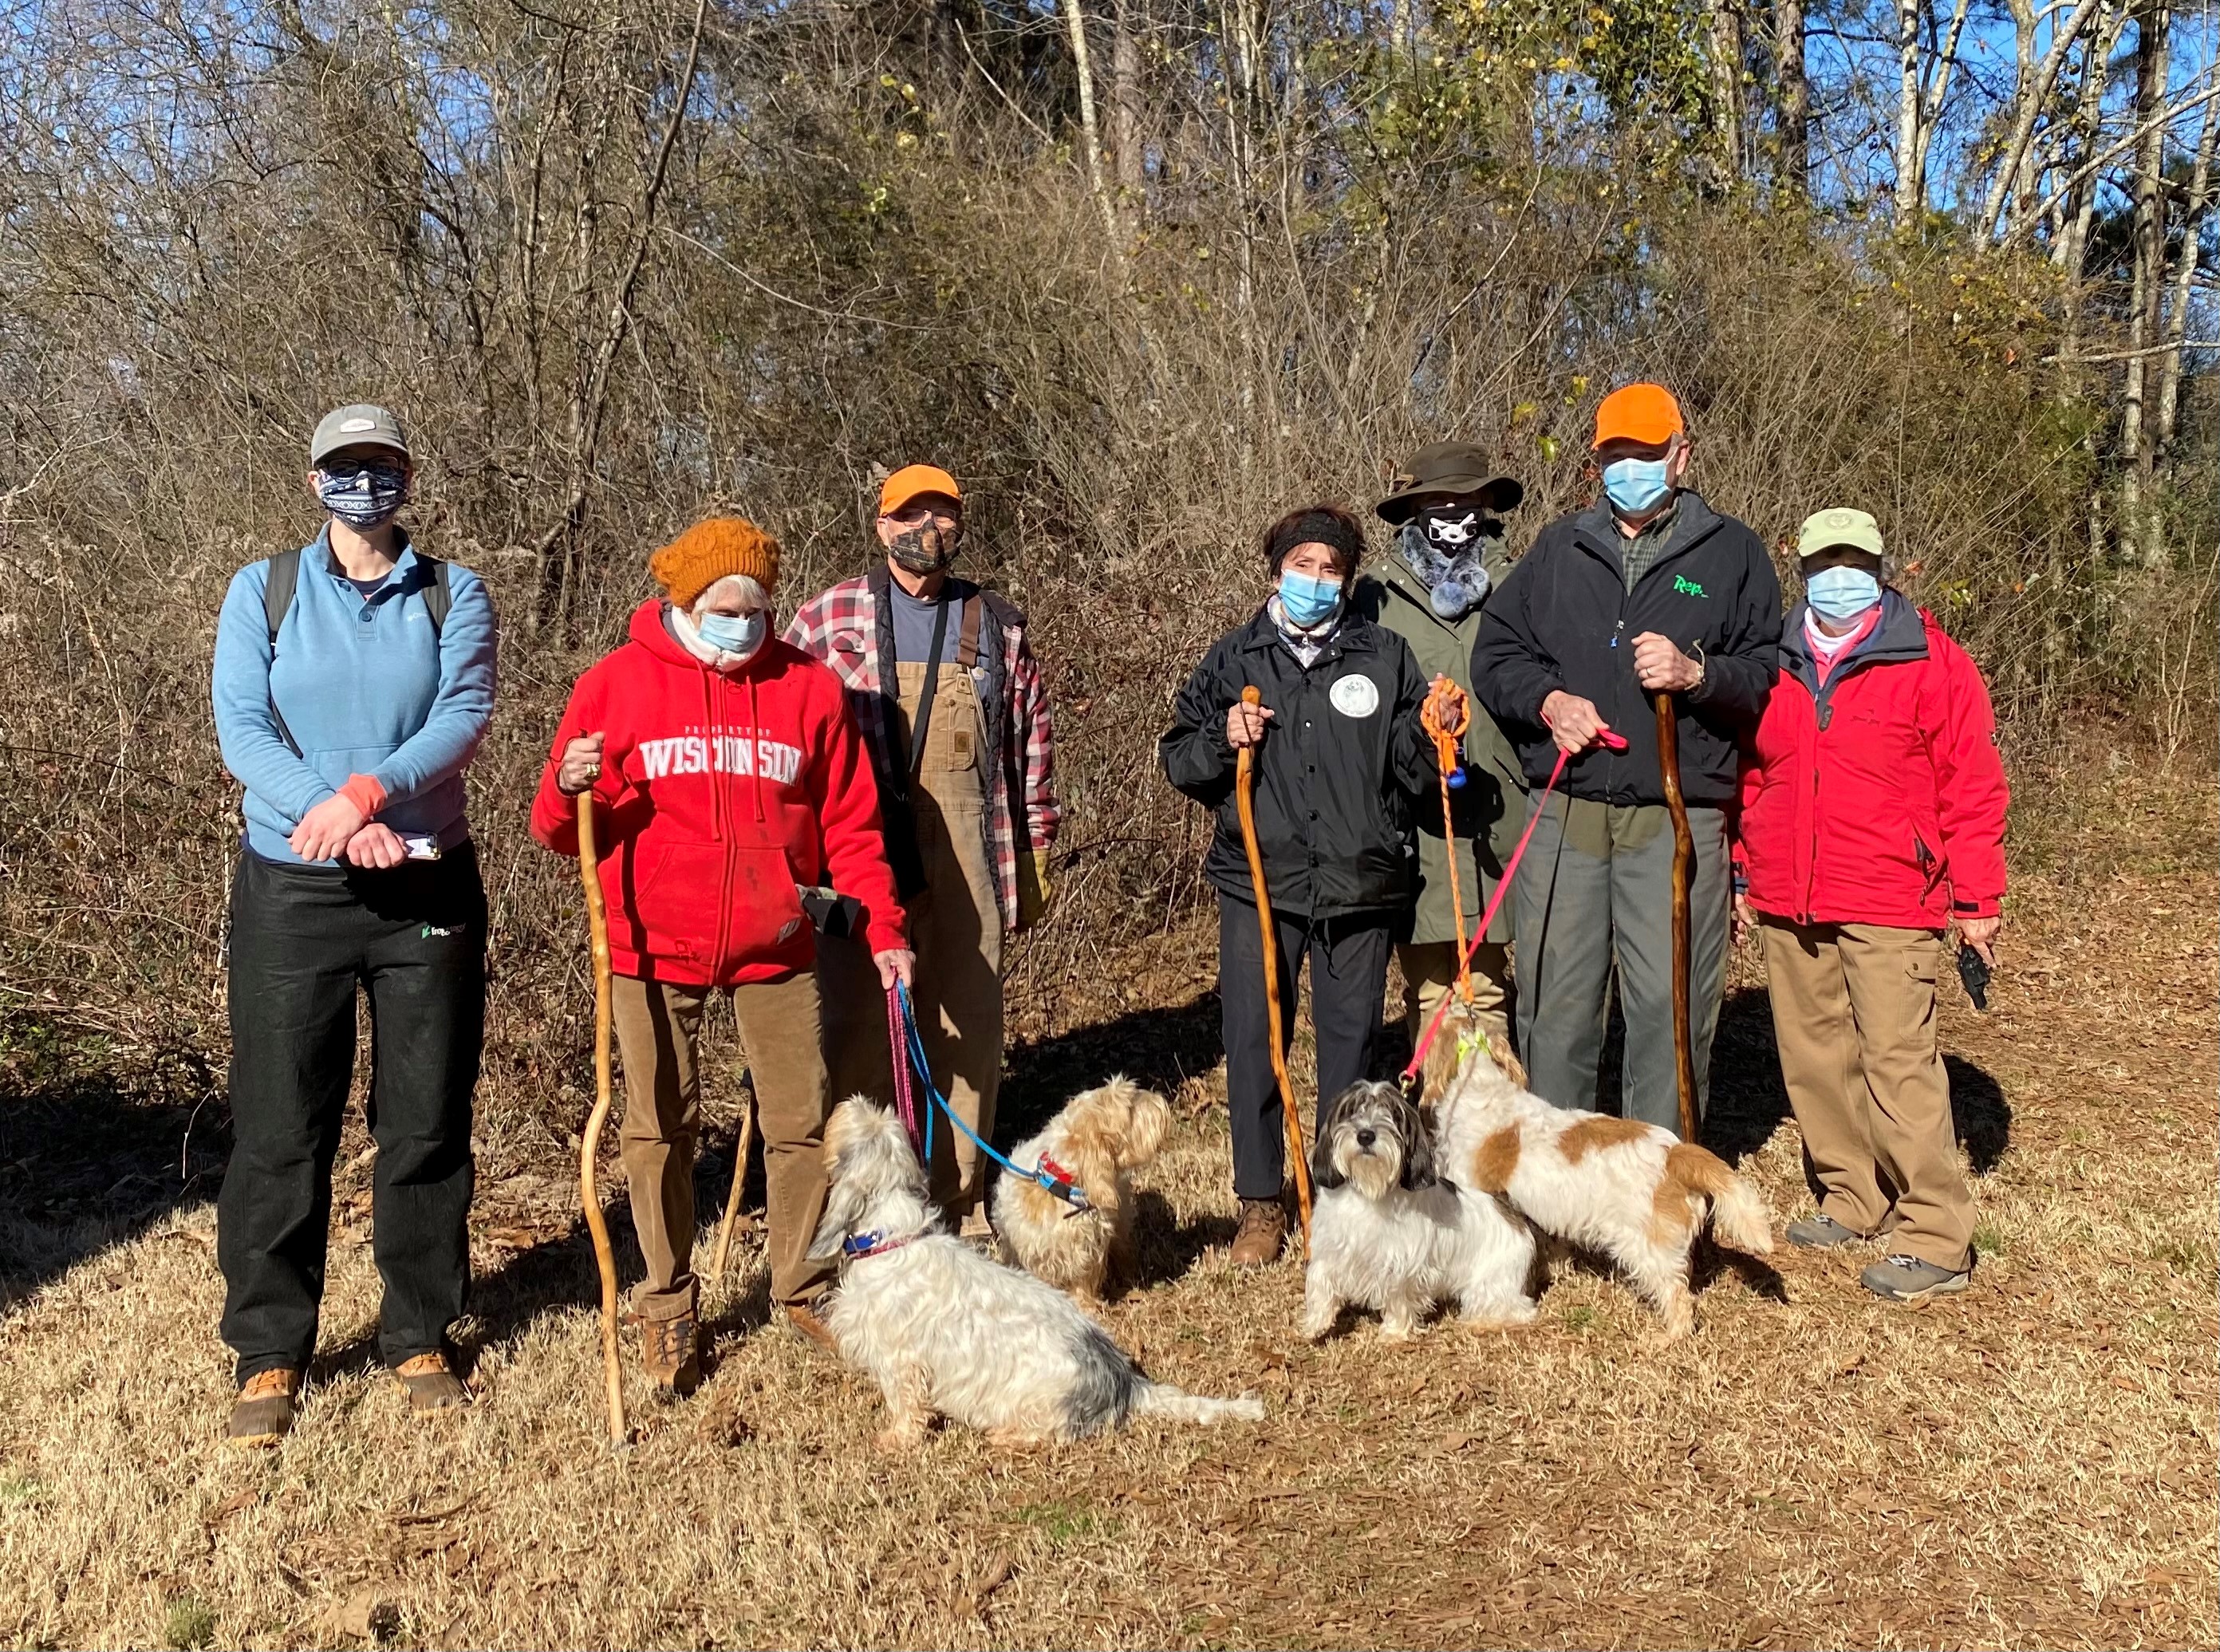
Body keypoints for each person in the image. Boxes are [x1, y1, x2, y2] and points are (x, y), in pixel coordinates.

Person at [530, 518, 912, 1391]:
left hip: (777, 943)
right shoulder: (612, 686)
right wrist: (565, 784)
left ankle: (803, 1283)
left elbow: (852, 828)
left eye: (758, 608)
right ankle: (666, 1300)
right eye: (725, 608)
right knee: (656, 1127)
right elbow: (556, 829)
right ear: (683, 602)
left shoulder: (808, 689)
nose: (744, 623)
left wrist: (885, 930)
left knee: (801, 1122)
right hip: (649, 945)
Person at [211, 403, 497, 1445]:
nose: (363, 482)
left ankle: (417, 1329)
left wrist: (371, 793)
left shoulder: (455, 592)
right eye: (343, 465)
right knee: (282, 1123)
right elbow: (243, 726)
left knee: (423, 1119)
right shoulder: (263, 590)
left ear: (408, 476)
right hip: (294, 888)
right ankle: (269, 1346)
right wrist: (328, 814)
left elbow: (461, 715)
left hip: (425, 884)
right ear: (314, 480)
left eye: (380, 465)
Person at [1472, 382, 1781, 1133]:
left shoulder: (1732, 552)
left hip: (1674, 818)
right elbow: (1498, 654)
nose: (1629, 467)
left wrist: (1696, 674)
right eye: (1615, 454)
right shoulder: (1558, 548)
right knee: (1555, 1008)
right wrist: (1548, 702)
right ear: (1596, 463)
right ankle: (1555, 1174)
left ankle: (1657, 1177)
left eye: (1645, 452)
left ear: (1681, 455)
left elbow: (1764, 674)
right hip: (1566, 810)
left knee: (1669, 1010)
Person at [1736, 508, 2006, 1303]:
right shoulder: (1770, 658)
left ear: (1881, 568)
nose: (1839, 576)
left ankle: (1935, 1236)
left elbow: (1971, 783)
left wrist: (1976, 895)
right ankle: (1853, 1196)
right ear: (1801, 569)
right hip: (1788, 890)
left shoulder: (1932, 659)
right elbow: (1749, 773)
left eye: (1854, 562)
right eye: (1824, 562)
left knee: (1896, 1060)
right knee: (1812, 1054)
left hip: (1892, 889)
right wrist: (1744, 871)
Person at [785, 465, 1058, 1236]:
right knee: (858, 1028)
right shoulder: (825, 617)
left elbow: (1030, 743)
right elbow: (782, 727)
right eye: (909, 514)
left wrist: (1035, 846)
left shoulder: (996, 624)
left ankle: (956, 1201)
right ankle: (869, 1205)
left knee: (968, 1023)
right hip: (855, 853)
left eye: (941, 513)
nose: (926, 528)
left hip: (971, 850)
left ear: (960, 525)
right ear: (880, 525)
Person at [1160, 503, 1434, 1266]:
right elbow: (1179, 757)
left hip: (1360, 883)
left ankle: (1337, 1198)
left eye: (1330, 568)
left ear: (1348, 578)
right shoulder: (1234, 657)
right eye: (1301, 565)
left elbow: (1413, 773)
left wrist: (1434, 732)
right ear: (1277, 570)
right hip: (1260, 883)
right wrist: (1223, 738)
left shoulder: (1385, 655)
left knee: (1351, 1048)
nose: (1315, 580)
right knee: (1254, 1039)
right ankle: (1260, 1203)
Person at [1354, 442, 1528, 1055]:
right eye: (1437, 502)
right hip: (1413, 814)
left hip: (1501, 806)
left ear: (1485, 505)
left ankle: (1494, 1108)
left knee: (1487, 984)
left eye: (1466, 501)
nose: (1453, 514)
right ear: (1414, 510)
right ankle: (1439, 1104)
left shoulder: (1521, 583)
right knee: (1431, 990)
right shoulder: (1374, 596)